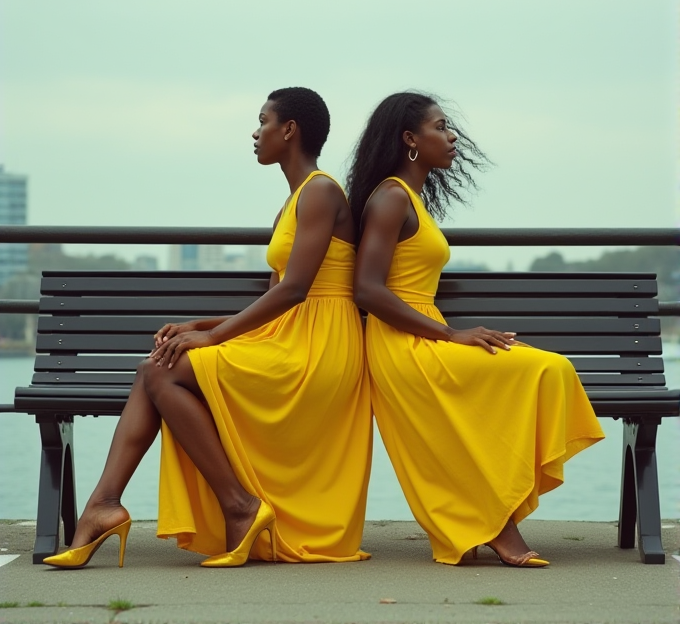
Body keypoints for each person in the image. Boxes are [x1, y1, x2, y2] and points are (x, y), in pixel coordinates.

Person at [44, 87, 372, 569]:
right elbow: (276, 297)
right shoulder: (293, 203)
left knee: (162, 372)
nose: (255, 132)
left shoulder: (321, 190)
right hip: (292, 336)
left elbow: (297, 289)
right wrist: (200, 324)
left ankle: (232, 507)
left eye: (263, 121)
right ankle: (106, 506)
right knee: (156, 365)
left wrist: (213, 336)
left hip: (318, 350)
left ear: (289, 130)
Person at [346, 91, 604, 568]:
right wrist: (449, 336)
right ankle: (498, 523)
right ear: (410, 139)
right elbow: (367, 290)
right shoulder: (390, 198)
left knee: (540, 370)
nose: (452, 136)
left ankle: (496, 517)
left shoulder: (411, 199)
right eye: (441, 127)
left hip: (423, 335)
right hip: (406, 347)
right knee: (545, 369)